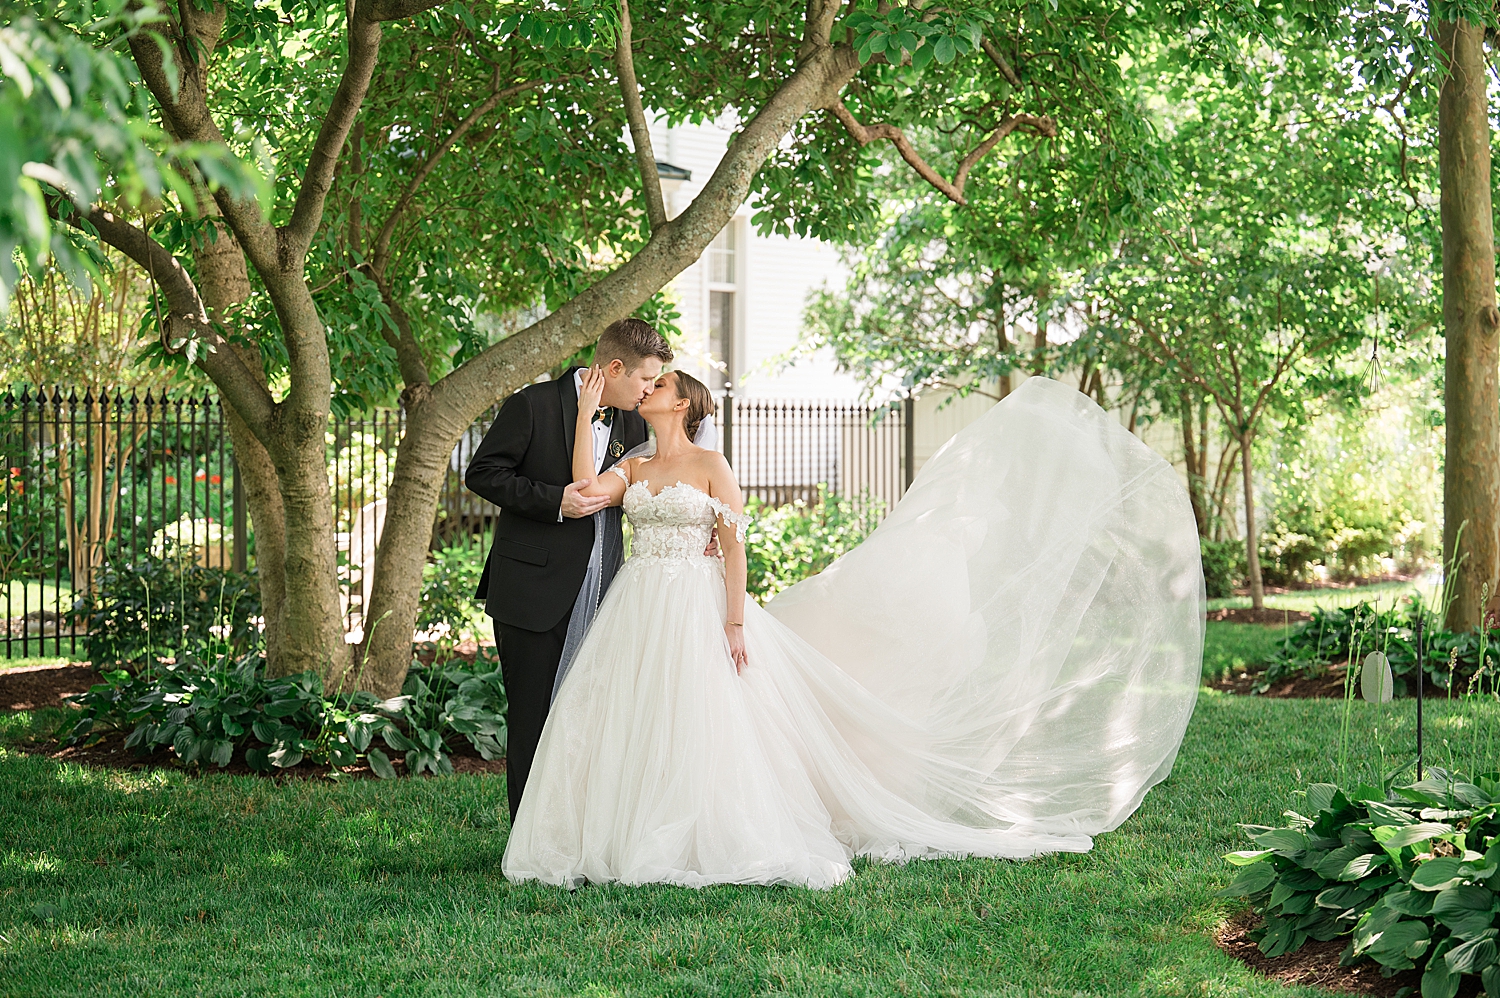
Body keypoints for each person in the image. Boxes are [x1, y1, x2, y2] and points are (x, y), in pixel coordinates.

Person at [502, 371, 1206, 889]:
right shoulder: (633, 463)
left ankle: (698, 829)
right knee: (630, 714)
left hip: (692, 600)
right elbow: (584, 495)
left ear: (681, 403)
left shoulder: (711, 465)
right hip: (638, 605)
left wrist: (736, 620)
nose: (647, 388)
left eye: (659, 384)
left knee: (702, 717)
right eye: (645, 384)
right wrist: (584, 416)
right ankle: (616, 832)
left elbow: (735, 545)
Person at [464, 318, 669, 821]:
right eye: (645, 379)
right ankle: (527, 842)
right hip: (533, 591)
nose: (649, 390)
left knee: (589, 718)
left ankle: (575, 834)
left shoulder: (632, 423)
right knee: (534, 719)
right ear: (614, 367)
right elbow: (483, 473)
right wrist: (554, 501)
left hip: (605, 591)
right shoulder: (532, 405)